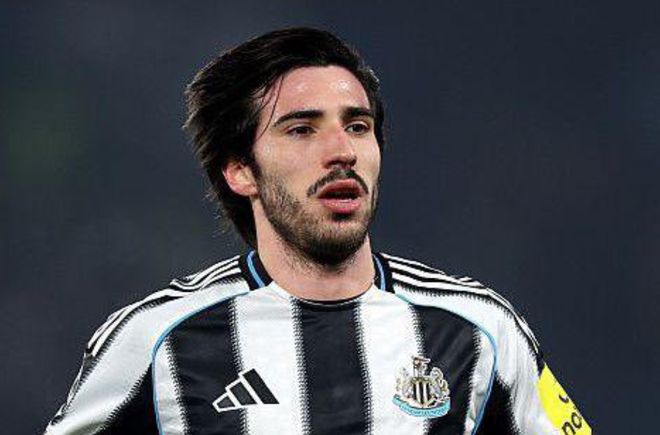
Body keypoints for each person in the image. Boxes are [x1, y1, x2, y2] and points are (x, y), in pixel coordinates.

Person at [44, 27, 590, 435]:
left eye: (357, 126)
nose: (342, 151)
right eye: (302, 129)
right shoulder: (156, 339)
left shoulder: (481, 331)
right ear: (240, 170)